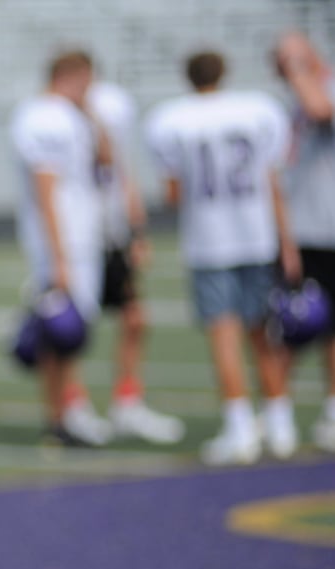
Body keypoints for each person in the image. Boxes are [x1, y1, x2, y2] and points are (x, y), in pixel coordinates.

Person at [145, 50, 300, 465]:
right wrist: (287, 241)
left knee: (224, 336)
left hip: (211, 241)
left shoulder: (172, 120)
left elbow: (174, 193)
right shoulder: (257, 111)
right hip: (257, 236)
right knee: (262, 333)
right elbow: (272, 180)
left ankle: (240, 430)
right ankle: (281, 426)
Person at [10, 49, 112, 447]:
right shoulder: (44, 117)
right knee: (61, 331)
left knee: (73, 331)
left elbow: (106, 157)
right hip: (64, 243)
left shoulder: (71, 115)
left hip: (79, 239)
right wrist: (59, 256)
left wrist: (90, 112)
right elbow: (46, 192)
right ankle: (59, 417)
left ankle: (69, 412)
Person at [86, 75, 187, 444]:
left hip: (112, 237)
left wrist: (138, 232)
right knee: (71, 328)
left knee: (135, 319)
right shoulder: (64, 127)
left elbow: (122, 175)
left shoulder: (110, 121)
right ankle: (72, 406)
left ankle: (127, 402)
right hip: (79, 239)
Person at [272, 30, 335, 452]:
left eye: (293, 58)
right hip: (303, 231)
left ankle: (332, 412)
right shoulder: (287, 105)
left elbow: (321, 109)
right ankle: (278, 416)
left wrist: (298, 66)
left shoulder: (322, 90)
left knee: (330, 329)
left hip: (328, 230)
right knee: (288, 327)